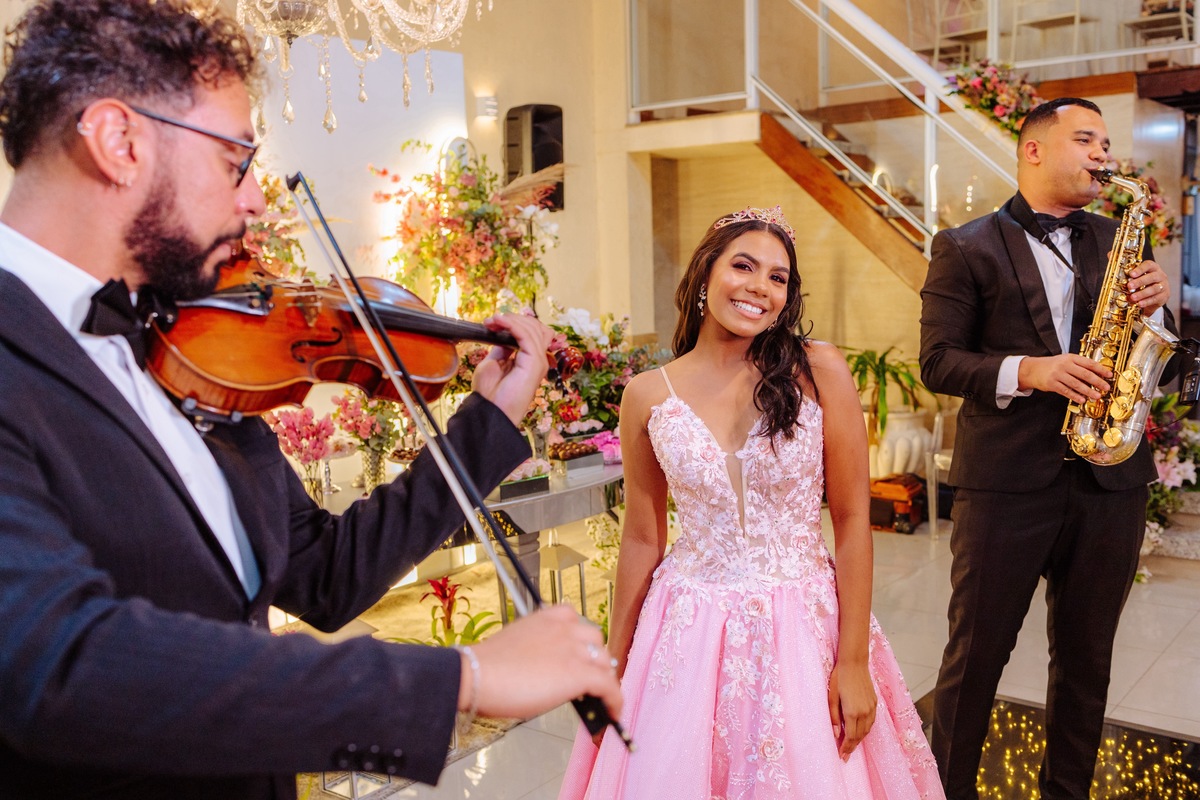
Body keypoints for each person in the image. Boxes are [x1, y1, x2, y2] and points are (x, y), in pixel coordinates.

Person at [0, 2, 621, 798]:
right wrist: (456, 678)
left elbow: (327, 576)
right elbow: (61, 662)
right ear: (121, 142)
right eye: (235, 162)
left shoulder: (186, 367)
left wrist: (488, 422)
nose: (256, 199)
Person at [558, 207, 944, 799]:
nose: (759, 287)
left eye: (778, 277)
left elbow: (850, 522)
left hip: (803, 623)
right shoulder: (645, 395)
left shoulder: (818, 371)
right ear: (705, 276)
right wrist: (613, 659)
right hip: (686, 630)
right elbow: (641, 537)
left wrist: (853, 661)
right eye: (743, 266)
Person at [920, 97, 1176, 800]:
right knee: (975, 660)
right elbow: (938, 362)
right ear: (1033, 149)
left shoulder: (1120, 236)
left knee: (1088, 661)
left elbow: (1165, 361)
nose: (1103, 154)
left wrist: (1162, 310)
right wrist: (1029, 370)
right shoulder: (965, 245)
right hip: (1006, 484)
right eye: (1086, 139)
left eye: (1106, 141)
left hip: (1110, 482)